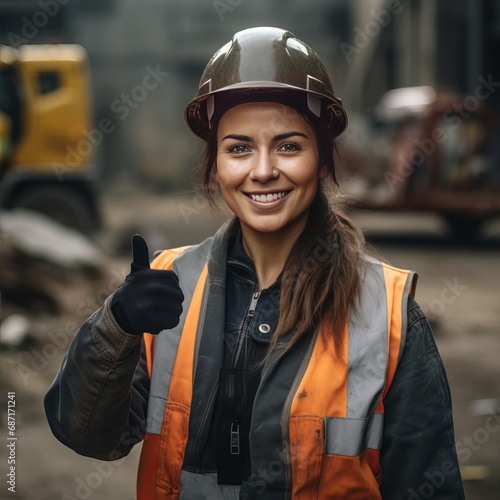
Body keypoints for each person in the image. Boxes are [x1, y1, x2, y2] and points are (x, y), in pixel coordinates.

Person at [44, 27, 465, 499]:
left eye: (289, 145)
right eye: (239, 148)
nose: (263, 170)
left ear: (323, 162)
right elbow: (86, 436)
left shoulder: (388, 315)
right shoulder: (168, 285)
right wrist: (117, 325)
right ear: (215, 165)